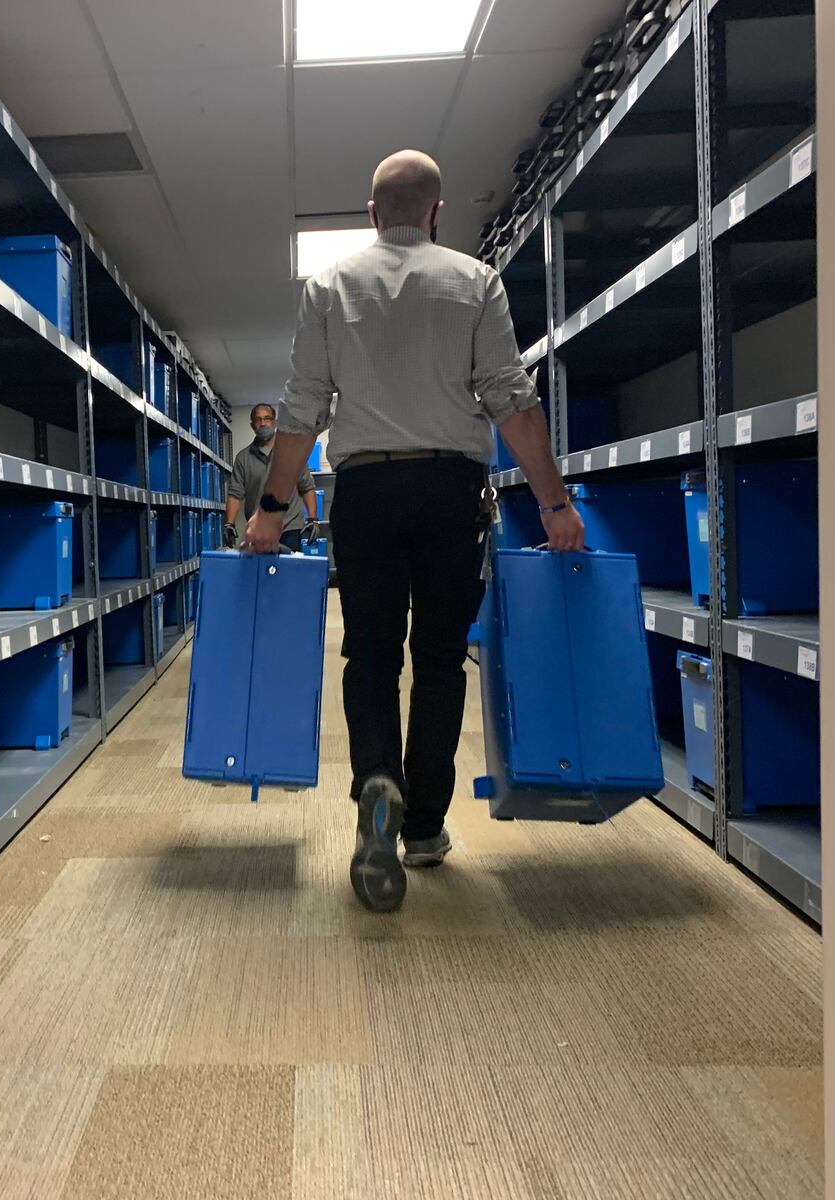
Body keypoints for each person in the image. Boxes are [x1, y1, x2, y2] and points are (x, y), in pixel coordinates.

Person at [244, 149, 585, 913]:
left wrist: (271, 513)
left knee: (368, 652)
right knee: (438, 660)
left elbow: (301, 410)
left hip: (362, 489)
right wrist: (555, 504)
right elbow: (511, 401)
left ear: (371, 213)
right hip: (448, 490)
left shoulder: (328, 284)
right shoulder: (474, 280)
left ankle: (377, 781)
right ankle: (425, 826)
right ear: (437, 211)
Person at [225, 402, 320, 553]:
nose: (263, 423)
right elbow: (235, 493)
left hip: (290, 527)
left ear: (275, 422)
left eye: (267, 418)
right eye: (258, 419)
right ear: (252, 425)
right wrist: (229, 524)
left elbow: (307, 487)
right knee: (261, 574)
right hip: (259, 529)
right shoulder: (243, 458)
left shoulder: (291, 453)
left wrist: (313, 519)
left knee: (288, 574)